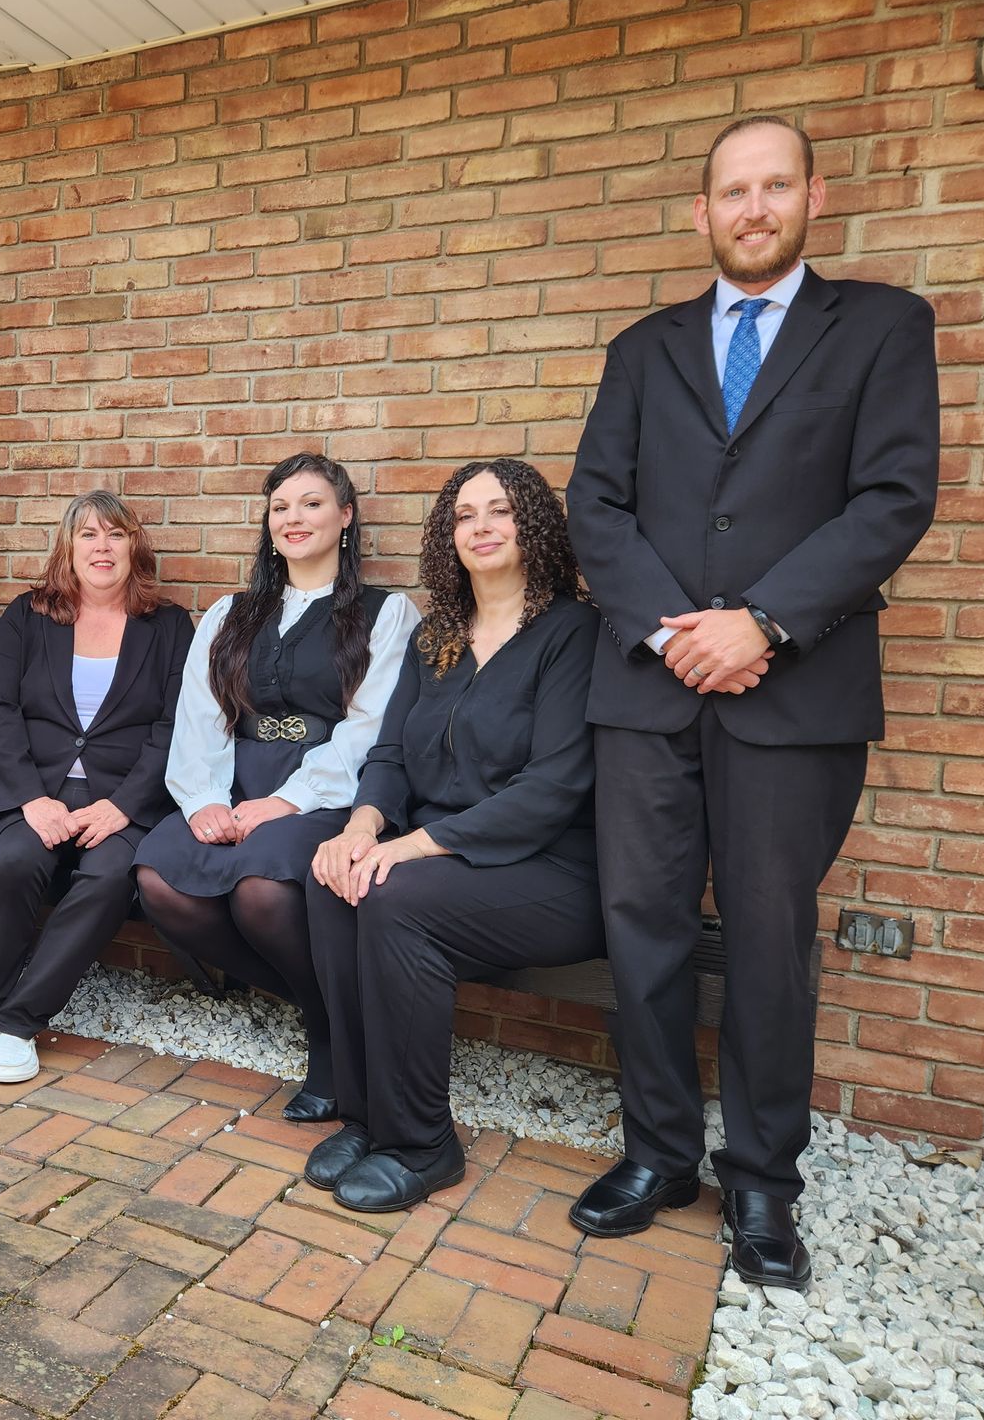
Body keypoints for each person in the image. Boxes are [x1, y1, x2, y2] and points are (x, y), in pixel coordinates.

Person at [565, 116, 939, 1289]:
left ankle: (765, 1184)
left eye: (776, 185)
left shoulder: (881, 326)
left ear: (814, 198)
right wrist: (678, 630)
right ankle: (659, 1153)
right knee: (645, 929)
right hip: (647, 688)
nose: (755, 206)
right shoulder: (643, 349)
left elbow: (892, 499)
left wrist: (762, 621)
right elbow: (596, 507)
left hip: (797, 690)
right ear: (702, 214)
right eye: (734, 190)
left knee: (771, 943)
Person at [303, 461, 602, 1212]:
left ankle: (421, 1142)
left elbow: (553, 788)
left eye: (500, 511)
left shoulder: (573, 631)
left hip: (550, 870)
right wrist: (363, 826)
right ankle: (369, 1116)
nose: (481, 527)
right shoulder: (436, 633)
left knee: (395, 894)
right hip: (440, 856)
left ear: (531, 526)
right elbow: (392, 752)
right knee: (335, 879)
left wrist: (405, 848)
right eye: (465, 515)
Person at [134, 454, 415, 1121]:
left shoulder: (385, 612)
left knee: (264, 890)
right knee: (160, 877)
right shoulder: (231, 612)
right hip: (235, 779)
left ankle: (328, 1042)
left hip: (327, 791)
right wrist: (204, 800)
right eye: (281, 506)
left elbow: (372, 726)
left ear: (345, 518)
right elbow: (199, 714)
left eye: (312, 503)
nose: (294, 518)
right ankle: (324, 1000)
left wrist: (287, 802)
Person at [0, 491, 194, 1085]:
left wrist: (125, 805)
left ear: (135, 545)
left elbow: (173, 727)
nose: (101, 548)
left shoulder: (169, 626)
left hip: (122, 800)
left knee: (108, 877)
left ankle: (19, 1021)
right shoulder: (28, 616)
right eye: (87, 535)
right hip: (35, 792)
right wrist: (30, 797)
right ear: (67, 546)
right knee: (13, 864)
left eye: (115, 534)